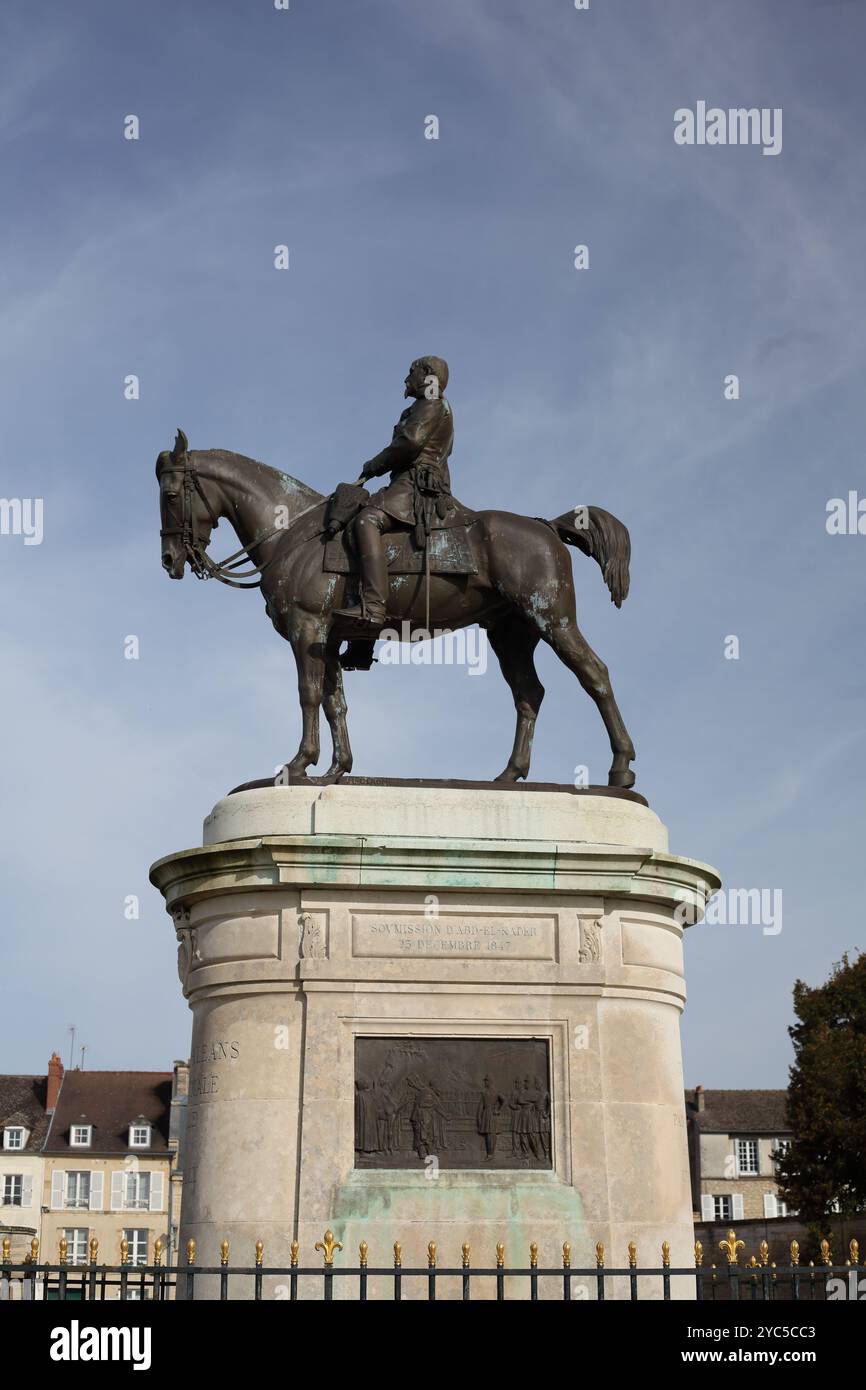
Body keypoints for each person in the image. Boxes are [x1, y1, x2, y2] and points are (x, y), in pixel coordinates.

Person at [334, 356, 454, 630]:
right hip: (407, 482)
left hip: (415, 486)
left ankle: (374, 606)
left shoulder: (432, 403)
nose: (405, 379)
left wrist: (373, 465)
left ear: (427, 374)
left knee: (366, 521)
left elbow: (409, 443)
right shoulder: (423, 406)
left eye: (411, 372)